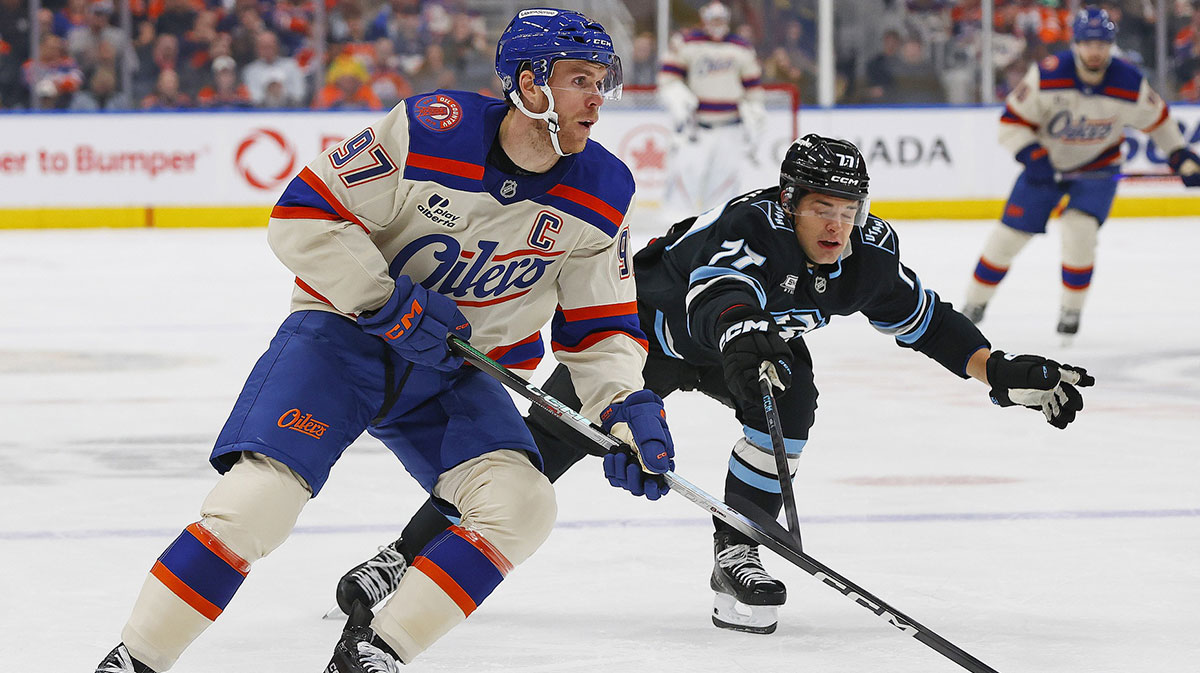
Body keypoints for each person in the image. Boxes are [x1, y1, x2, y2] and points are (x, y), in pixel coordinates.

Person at [92, 8, 675, 673]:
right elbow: (302, 217)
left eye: (604, 80)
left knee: (523, 502)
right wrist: (385, 302)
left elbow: (600, 327)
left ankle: (373, 650)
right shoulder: (430, 130)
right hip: (345, 340)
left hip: (454, 372)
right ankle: (135, 660)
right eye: (579, 79)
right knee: (257, 503)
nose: (597, 99)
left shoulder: (603, 189)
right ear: (529, 82)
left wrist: (626, 406)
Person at [331, 133, 1095, 637]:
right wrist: (743, 335)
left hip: (748, 343)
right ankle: (404, 555)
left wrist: (996, 368)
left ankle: (738, 552)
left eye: (848, 210)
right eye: (820, 208)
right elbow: (718, 294)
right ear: (789, 202)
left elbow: (922, 318)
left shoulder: (865, 254)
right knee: (531, 455)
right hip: (650, 335)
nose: (835, 225)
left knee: (790, 402)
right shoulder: (747, 223)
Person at [962, 6, 1200, 339]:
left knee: (1080, 232)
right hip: (1044, 168)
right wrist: (1034, 156)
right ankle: (973, 305)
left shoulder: (1129, 81)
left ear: (1111, 45)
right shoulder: (1048, 75)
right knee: (1006, 238)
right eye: (1088, 43)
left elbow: (1159, 121)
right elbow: (1011, 124)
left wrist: (1178, 154)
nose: (1094, 51)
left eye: (1102, 44)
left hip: (1097, 170)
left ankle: (1071, 312)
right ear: (1075, 44)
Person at [657, 0, 766, 222]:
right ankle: (674, 228)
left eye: (721, 20)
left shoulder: (741, 48)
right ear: (704, 20)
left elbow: (753, 88)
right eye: (713, 20)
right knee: (685, 180)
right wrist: (678, 98)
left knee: (723, 184)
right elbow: (668, 79)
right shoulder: (686, 43)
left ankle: (716, 226)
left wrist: (755, 110)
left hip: (730, 128)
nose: (717, 24)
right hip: (696, 129)